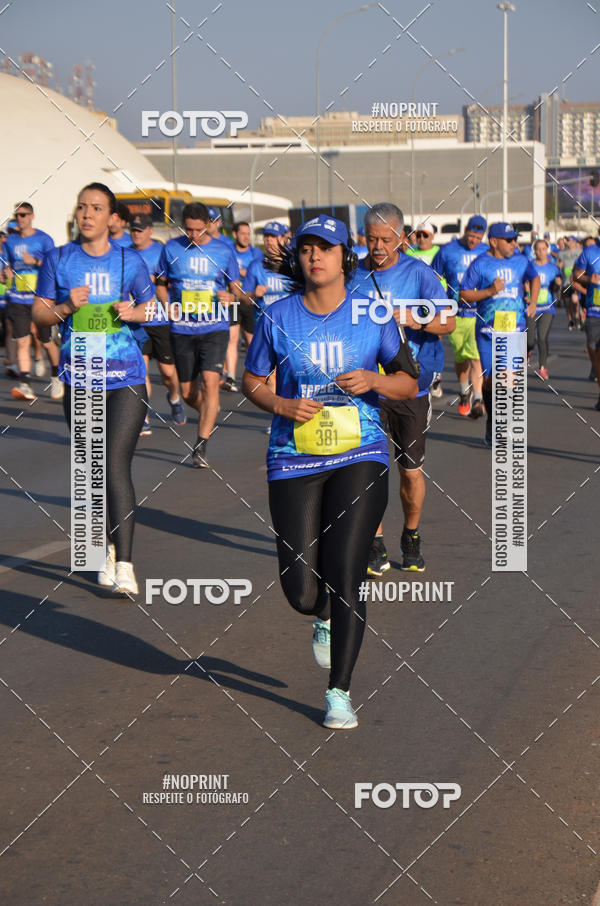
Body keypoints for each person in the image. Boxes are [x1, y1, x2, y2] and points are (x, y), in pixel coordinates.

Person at [242, 214, 417, 729]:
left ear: (346, 258)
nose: (316, 256)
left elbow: (410, 382)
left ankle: (339, 692)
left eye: (327, 248)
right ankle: (321, 616)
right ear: (298, 258)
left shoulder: (372, 314)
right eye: (307, 249)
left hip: (359, 453)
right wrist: (280, 404)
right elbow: (250, 380)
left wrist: (375, 381)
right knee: (301, 591)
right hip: (292, 457)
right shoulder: (276, 316)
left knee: (345, 573)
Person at [33, 182, 156, 595]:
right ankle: (100, 548)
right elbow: (40, 315)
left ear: (111, 218)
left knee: (115, 464)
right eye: (82, 206)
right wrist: (66, 306)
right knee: (92, 470)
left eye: (97, 208)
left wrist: (134, 310)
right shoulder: (59, 259)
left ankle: (125, 562)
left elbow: (150, 307)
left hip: (126, 377)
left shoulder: (130, 260)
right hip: (80, 376)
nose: (87, 214)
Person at [354, 202, 455, 575]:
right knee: (368, 468)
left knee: (409, 472)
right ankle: (374, 541)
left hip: (410, 387)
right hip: (365, 387)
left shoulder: (419, 274)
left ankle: (411, 535)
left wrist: (416, 319)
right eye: (371, 238)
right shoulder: (352, 275)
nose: (378, 246)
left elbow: (448, 320)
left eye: (386, 239)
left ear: (401, 237)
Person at [156, 202, 240, 467]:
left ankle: (200, 446)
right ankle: (209, 411)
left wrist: (231, 296)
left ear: (208, 224)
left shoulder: (224, 251)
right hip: (182, 328)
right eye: (188, 229)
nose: (193, 235)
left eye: (198, 229)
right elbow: (160, 283)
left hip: (214, 327)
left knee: (210, 381)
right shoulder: (171, 249)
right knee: (188, 392)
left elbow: (236, 289)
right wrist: (166, 304)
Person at [460, 222, 540, 444]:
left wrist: (533, 302)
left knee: (508, 380)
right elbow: (464, 295)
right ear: (494, 242)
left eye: (515, 239)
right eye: (509, 240)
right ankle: (493, 421)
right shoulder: (480, 264)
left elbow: (535, 278)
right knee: (489, 381)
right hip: (487, 331)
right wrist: (489, 291)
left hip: (513, 329)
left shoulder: (522, 261)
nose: (514, 243)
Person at [129, 213, 185, 435]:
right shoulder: (126, 253)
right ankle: (143, 417)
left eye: (140, 229)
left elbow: (172, 278)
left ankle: (174, 397)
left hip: (160, 320)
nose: (136, 233)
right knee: (140, 371)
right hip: (137, 320)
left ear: (150, 231)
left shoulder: (161, 252)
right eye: (133, 229)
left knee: (168, 373)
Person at [3, 202, 61, 401]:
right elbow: (9, 266)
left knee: (46, 341)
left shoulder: (44, 240)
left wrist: (35, 262)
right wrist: (7, 273)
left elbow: (55, 266)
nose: (21, 218)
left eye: (24, 214)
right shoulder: (10, 241)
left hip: (40, 298)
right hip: (18, 298)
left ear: (32, 216)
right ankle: (25, 384)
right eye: (18, 215)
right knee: (22, 341)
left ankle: (56, 375)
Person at [432, 215, 488, 417]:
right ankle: (464, 391)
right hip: (455, 314)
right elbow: (433, 278)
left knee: (475, 356)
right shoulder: (447, 251)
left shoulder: (486, 252)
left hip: (478, 314)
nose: (474, 241)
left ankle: (478, 398)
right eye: (472, 235)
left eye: (478, 237)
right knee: (461, 358)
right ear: (466, 230)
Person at [241, 221, 292, 334]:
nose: (269, 240)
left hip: (290, 326)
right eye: (266, 236)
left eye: (273, 236)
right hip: (264, 327)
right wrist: (254, 294)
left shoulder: (293, 264)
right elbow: (243, 299)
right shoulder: (255, 266)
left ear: (283, 239)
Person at [526, 239, 561, 379]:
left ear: (547, 250)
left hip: (547, 308)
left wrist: (558, 284)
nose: (541, 252)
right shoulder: (529, 266)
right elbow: (524, 282)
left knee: (542, 337)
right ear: (535, 251)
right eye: (538, 249)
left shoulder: (553, 268)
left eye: (544, 249)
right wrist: (527, 293)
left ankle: (542, 367)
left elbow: (556, 288)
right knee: (530, 341)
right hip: (531, 307)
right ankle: (528, 350)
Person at [572, 241, 600, 408]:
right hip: (593, 311)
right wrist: (590, 278)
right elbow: (576, 275)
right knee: (594, 351)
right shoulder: (590, 252)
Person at [558, 235, 583, 330]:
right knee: (568, 303)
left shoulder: (580, 252)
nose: (567, 241)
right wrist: (559, 266)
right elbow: (557, 266)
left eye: (569, 240)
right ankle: (571, 320)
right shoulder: (561, 253)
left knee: (574, 300)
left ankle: (577, 316)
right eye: (566, 240)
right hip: (565, 282)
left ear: (574, 242)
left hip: (576, 282)